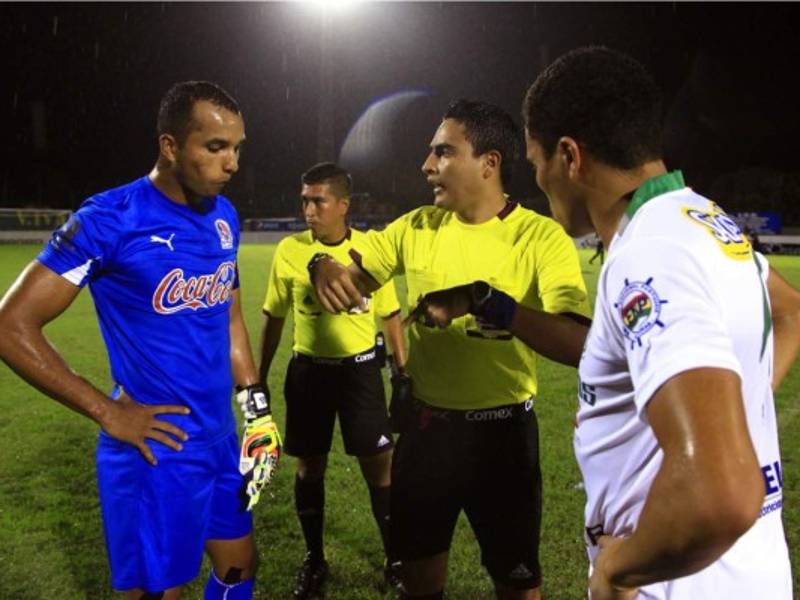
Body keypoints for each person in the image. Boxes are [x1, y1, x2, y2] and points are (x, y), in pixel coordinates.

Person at [521, 46, 798, 599]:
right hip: (751, 574)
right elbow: (790, 309)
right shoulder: (703, 217)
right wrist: (736, 402)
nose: (539, 181)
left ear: (570, 156)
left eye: (536, 163)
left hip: (685, 584)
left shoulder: (649, 253)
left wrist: (619, 570)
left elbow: (721, 496)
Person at [0, 81, 281, 600]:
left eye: (238, 148)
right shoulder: (110, 219)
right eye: (215, 147)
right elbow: (10, 325)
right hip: (158, 447)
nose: (232, 163)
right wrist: (107, 412)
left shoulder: (223, 215)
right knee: (159, 594)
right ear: (170, 146)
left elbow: (230, 317)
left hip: (220, 438)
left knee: (240, 566)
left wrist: (256, 409)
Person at [309, 99, 592, 600]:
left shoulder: (540, 237)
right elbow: (347, 277)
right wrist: (322, 268)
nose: (427, 165)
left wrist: (483, 301)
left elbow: (579, 343)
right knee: (418, 584)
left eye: (443, 152)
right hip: (426, 435)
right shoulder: (417, 226)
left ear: (489, 163)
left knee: (519, 587)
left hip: (503, 439)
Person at [258, 162, 407, 598]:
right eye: (305, 200)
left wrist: (402, 371)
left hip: (360, 373)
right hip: (308, 374)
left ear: (343, 204)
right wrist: (259, 377)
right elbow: (273, 317)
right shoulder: (289, 250)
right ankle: (314, 559)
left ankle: (396, 558)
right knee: (310, 467)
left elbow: (391, 315)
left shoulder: (369, 250)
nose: (309, 209)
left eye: (318, 201)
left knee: (380, 467)